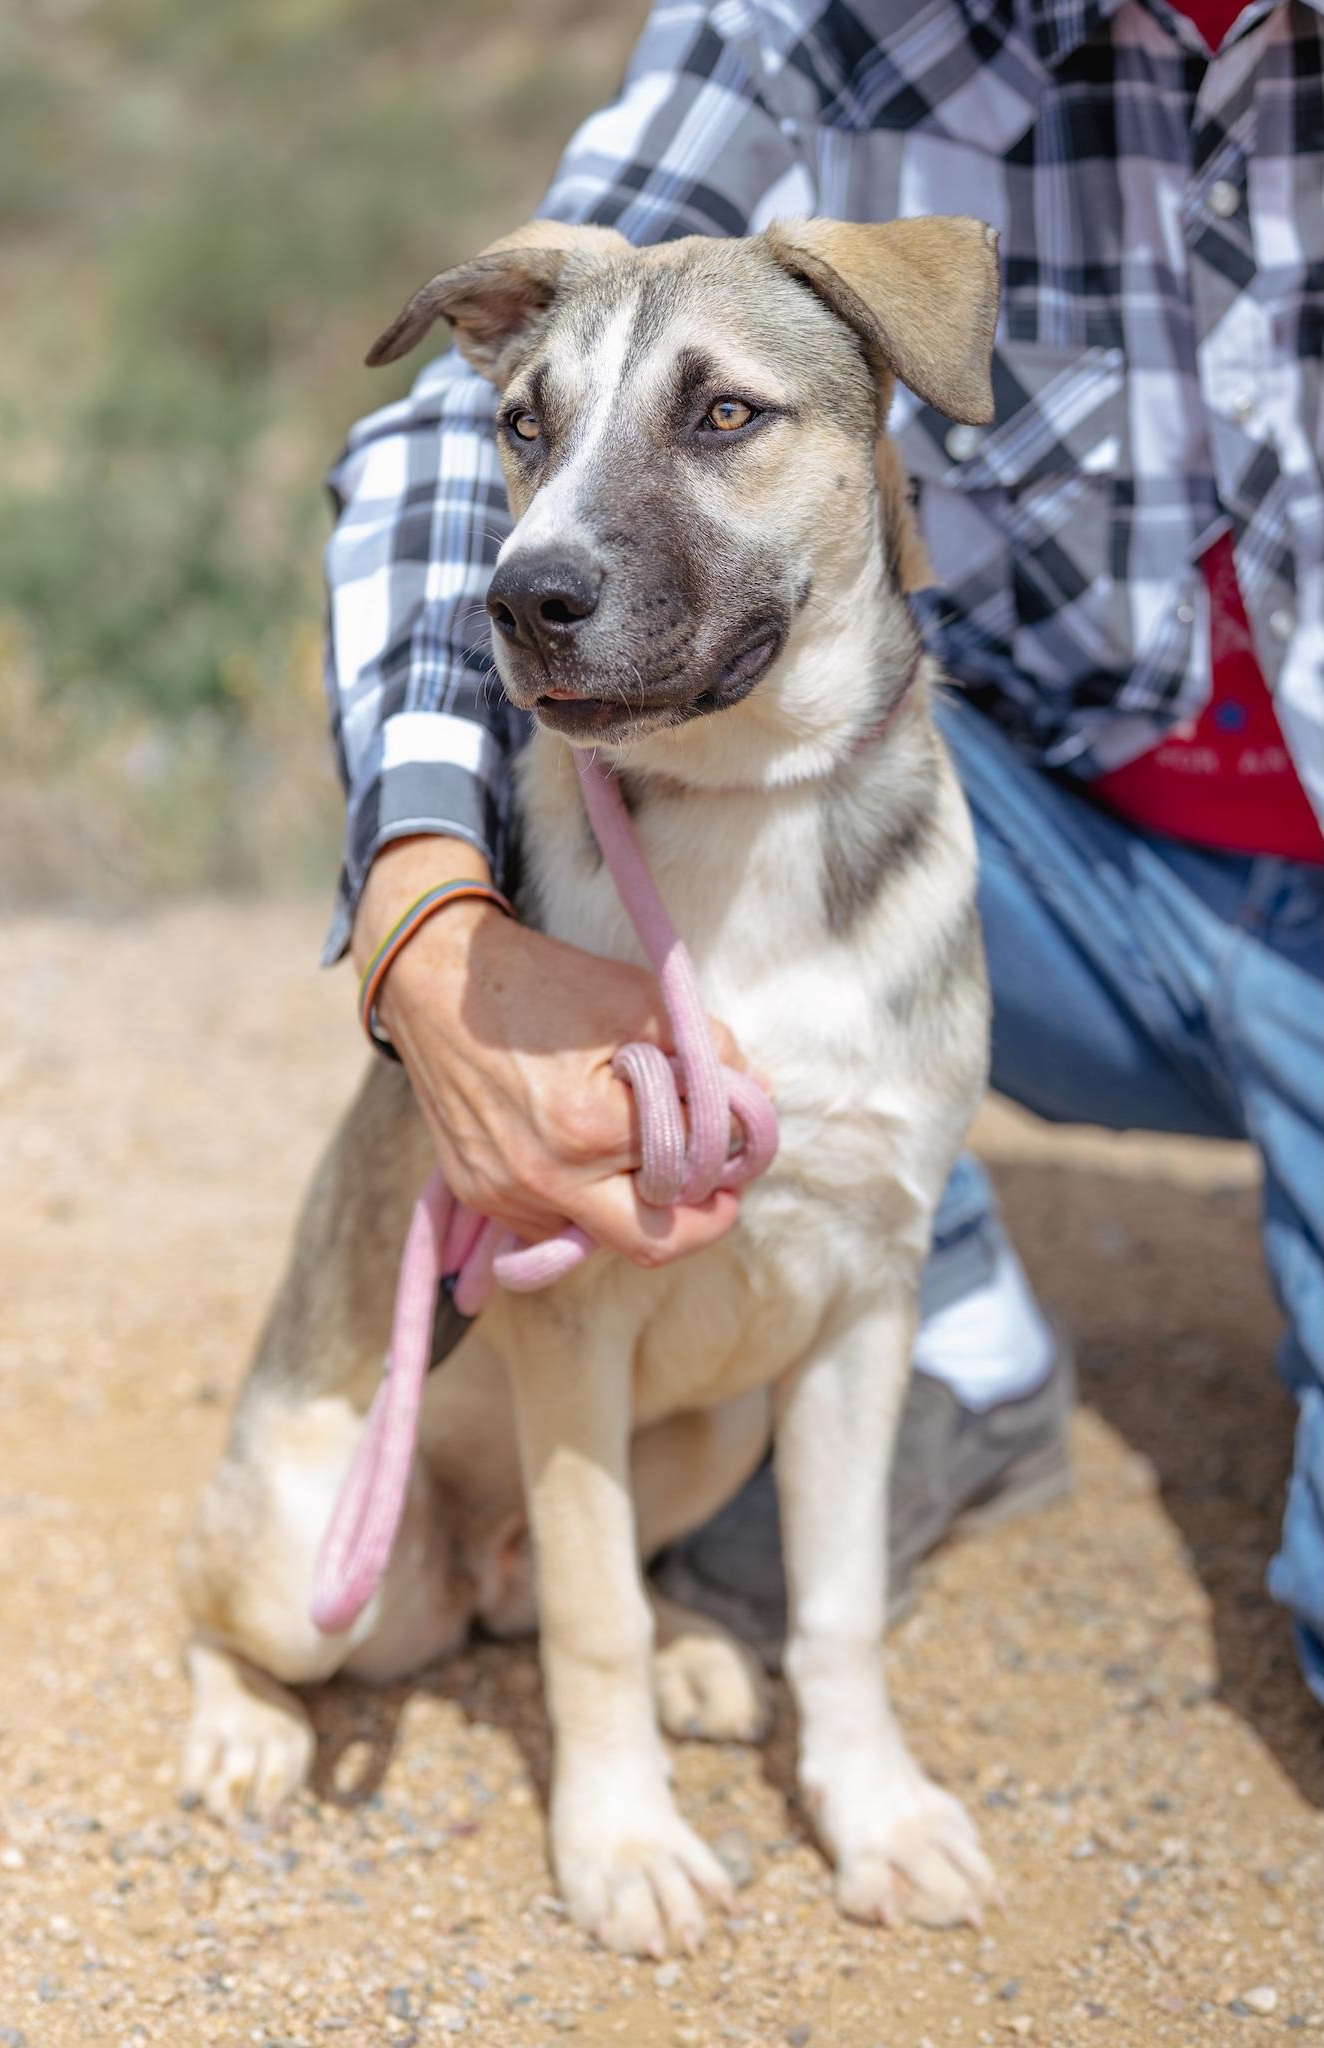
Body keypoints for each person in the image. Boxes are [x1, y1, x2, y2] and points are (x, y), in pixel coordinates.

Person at [321, 0, 1324, 1698]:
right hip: (1030, 831)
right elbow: (441, 444)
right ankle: (948, 1313)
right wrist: (419, 899)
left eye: (727, 421)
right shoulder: (835, 17)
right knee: (523, 724)